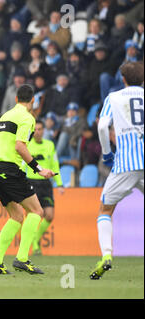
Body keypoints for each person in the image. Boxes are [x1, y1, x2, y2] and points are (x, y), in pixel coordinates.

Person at [0, 84, 56, 275]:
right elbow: (19, 146)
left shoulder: (4, 117)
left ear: (16, 99)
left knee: (16, 216)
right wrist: (39, 169)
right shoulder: (27, 118)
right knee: (36, 211)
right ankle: (22, 259)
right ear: (33, 100)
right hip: (9, 170)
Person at [90, 61, 144, 280]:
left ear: (123, 79)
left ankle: (107, 256)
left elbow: (103, 126)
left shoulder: (114, 98)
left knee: (105, 210)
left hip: (125, 164)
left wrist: (106, 153)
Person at [25, 121, 64, 255]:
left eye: (40, 129)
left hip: (46, 184)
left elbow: (55, 164)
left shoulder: (50, 145)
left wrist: (59, 183)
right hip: (31, 182)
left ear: (43, 130)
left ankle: (36, 238)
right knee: (34, 214)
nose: (38, 132)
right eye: (35, 129)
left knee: (49, 215)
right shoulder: (27, 145)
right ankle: (34, 243)